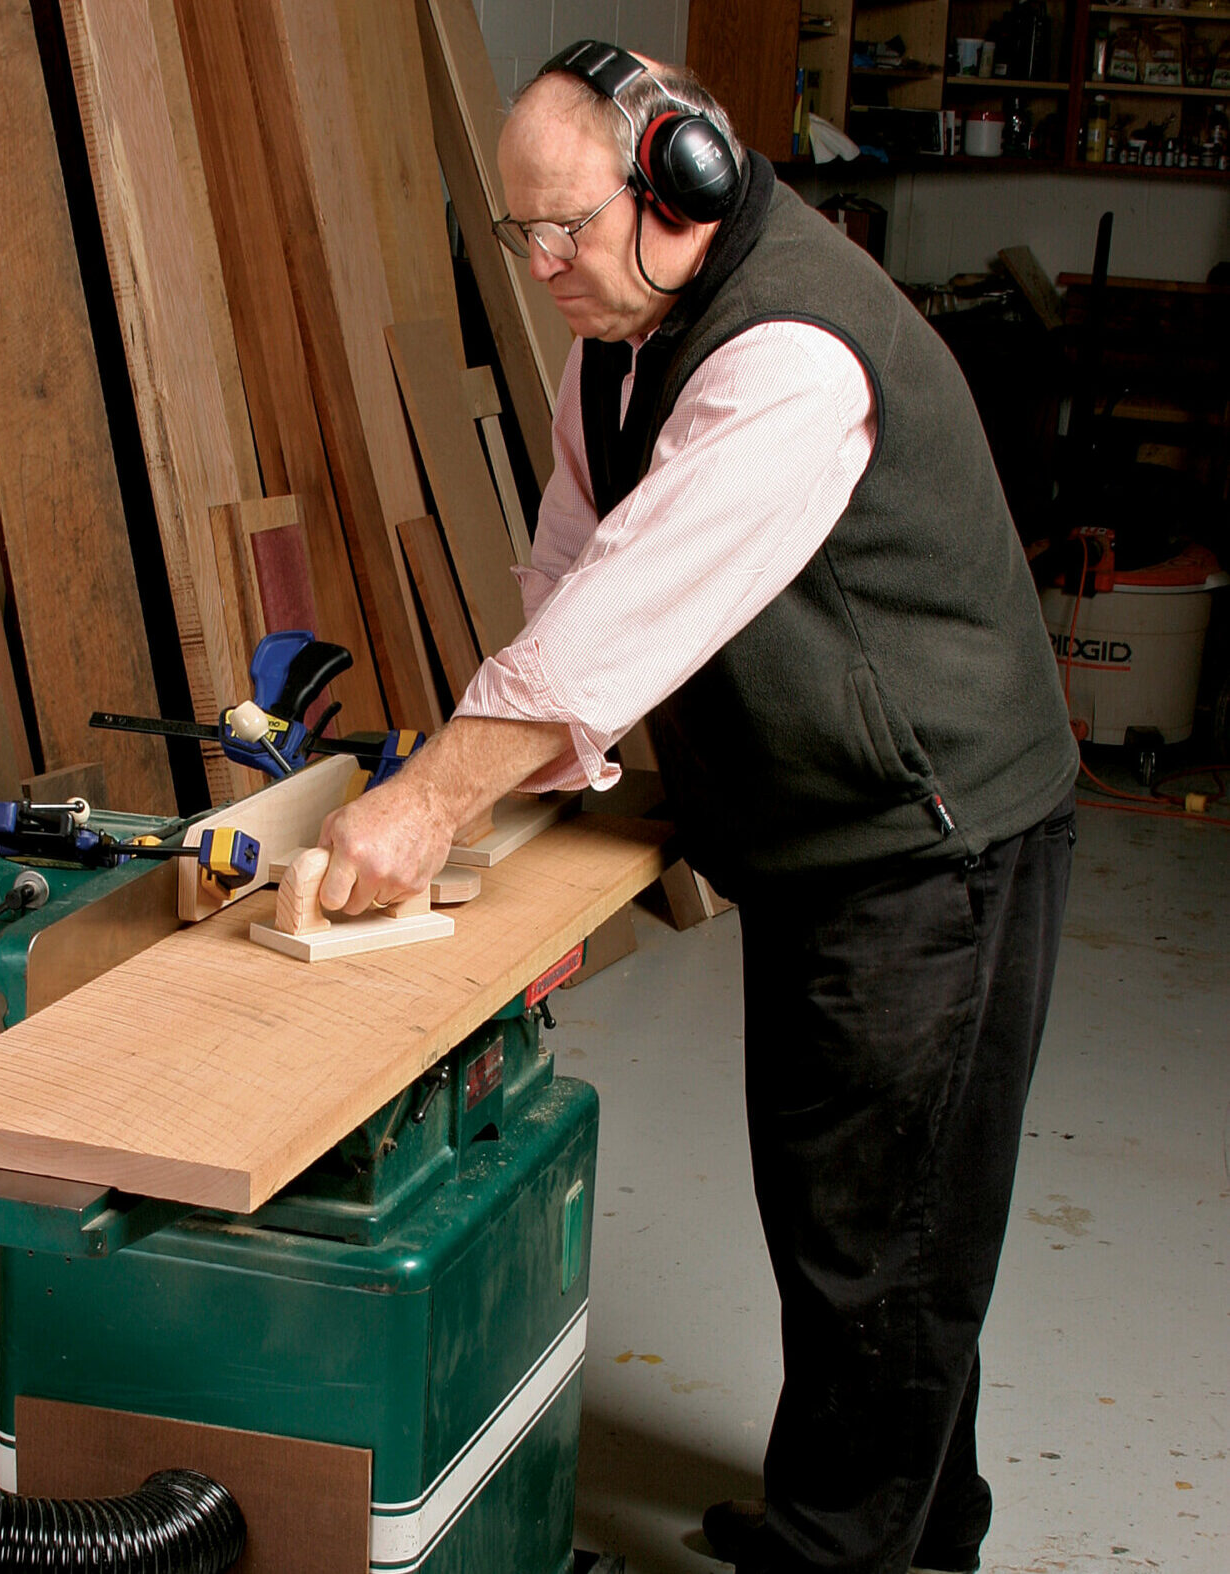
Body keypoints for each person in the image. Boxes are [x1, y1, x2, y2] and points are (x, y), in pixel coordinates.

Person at [315, 38, 1079, 1574]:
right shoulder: (620, 336)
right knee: (854, 1222)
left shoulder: (787, 357)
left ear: (682, 178)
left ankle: (840, 1550)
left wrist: (430, 799)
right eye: (519, 234)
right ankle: (916, 1525)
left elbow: (628, 621)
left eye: (565, 229)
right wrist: (488, 776)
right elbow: (569, 576)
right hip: (823, 833)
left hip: (933, 841)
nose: (542, 269)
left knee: (885, 1248)